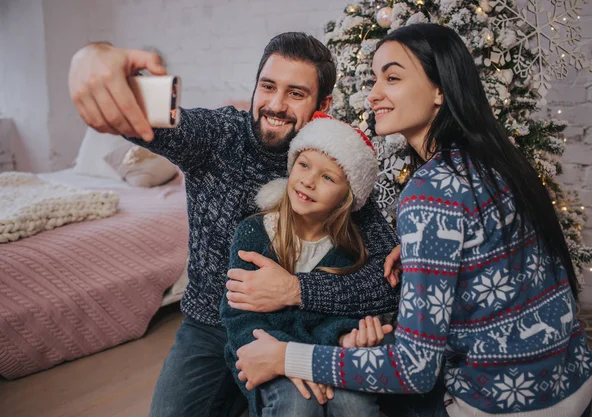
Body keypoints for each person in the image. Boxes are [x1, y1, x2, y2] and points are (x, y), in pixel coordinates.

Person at [234, 23, 592, 417]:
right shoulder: (493, 159)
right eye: (374, 78)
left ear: (440, 90)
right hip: (572, 382)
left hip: (502, 404)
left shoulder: (430, 192)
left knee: (362, 394)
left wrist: (287, 357)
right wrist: (423, 246)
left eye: (392, 77)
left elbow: (414, 370)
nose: (373, 94)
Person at [68, 32, 401, 417]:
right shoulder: (219, 135)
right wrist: (94, 57)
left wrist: (297, 291)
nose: (275, 104)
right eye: (268, 86)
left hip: (304, 328)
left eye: (295, 93)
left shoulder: (334, 161)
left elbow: (386, 280)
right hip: (209, 327)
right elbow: (148, 120)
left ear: (322, 104)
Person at [221, 111, 389, 417]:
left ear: (345, 198)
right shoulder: (255, 232)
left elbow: (347, 315)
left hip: (328, 351)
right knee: (298, 404)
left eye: (327, 177)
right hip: (263, 349)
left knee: (355, 405)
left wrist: (342, 339)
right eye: (303, 165)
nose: (308, 181)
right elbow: (240, 317)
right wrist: (291, 359)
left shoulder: (353, 248)